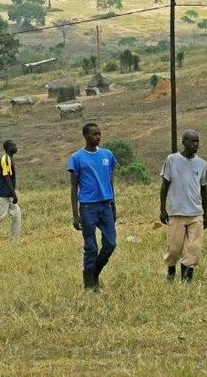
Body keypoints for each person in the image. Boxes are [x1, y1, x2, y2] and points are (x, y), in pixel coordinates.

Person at [68, 122, 118, 291]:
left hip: (105, 206)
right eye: (94, 134)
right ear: (85, 136)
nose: (98, 137)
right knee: (91, 246)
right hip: (88, 207)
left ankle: (94, 273)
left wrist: (113, 206)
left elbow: (110, 182)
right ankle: (89, 284)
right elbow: (74, 187)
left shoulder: (107, 155)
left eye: (99, 133)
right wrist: (75, 214)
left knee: (110, 243)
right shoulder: (76, 158)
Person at [159, 130, 207, 283]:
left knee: (193, 249)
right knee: (174, 248)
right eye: (192, 141)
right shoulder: (172, 160)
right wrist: (162, 208)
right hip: (176, 212)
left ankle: (187, 278)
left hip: (195, 213)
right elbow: (165, 185)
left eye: (197, 142)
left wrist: (205, 215)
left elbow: (204, 190)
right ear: (184, 142)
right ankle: (171, 271)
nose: (196, 145)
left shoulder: (202, 164)